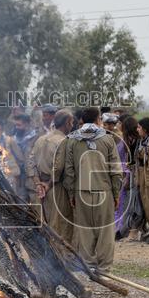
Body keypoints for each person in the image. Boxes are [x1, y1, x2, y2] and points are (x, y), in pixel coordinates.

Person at [63, 107, 123, 272]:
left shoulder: (72, 140)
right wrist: (116, 194)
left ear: (82, 120)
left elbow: (69, 171)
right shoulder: (107, 139)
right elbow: (116, 171)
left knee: (84, 230)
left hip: (81, 192)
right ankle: (104, 268)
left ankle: (88, 265)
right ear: (98, 120)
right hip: (104, 190)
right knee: (105, 231)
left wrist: (71, 193)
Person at [32, 109, 74, 242]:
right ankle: (62, 259)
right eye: (71, 123)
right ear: (67, 123)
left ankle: (51, 258)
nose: (72, 126)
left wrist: (38, 183)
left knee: (46, 222)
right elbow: (58, 167)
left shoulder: (40, 139)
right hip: (58, 187)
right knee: (61, 226)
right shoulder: (64, 141)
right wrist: (49, 184)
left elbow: (30, 162)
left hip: (42, 188)